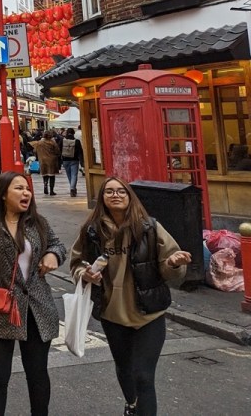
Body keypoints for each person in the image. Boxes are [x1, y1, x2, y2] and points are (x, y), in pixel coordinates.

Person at [70, 177, 191, 416]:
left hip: (149, 312)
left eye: (121, 191)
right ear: (102, 198)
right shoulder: (92, 231)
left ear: (130, 197)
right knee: (124, 368)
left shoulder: (150, 227)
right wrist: (85, 274)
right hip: (112, 314)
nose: (115, 195)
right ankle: (132, 404)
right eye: (109, 192)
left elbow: (169, 266)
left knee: (144, 376)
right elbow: (76, 263)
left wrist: (173, 263)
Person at [0, 172, 67, 416]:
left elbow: (57, 245)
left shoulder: (38, 222)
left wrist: (53, 255)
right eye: (19, 188)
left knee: (38, 374)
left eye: (27, 189)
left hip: (36, 307)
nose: (26, 193)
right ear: (3, 194)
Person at [30, 131, 61, 196]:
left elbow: (35, 151)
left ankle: (45, 184)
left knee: (45, 174)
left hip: (42, 160)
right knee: (52, 175)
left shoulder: (39, 143)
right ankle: (51, 190)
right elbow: (57, 151)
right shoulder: (52, 142)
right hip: (51, 160)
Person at [60, 128, 84, 197]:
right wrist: (82, 163)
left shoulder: (63, 141)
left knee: (69, 175)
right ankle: (72, 188)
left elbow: (59, 149)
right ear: (74, 133)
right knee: (74, 175)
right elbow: (80, 152)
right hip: (74, 160)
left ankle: (72, 188)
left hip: (65, 160)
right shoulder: (77, 141)